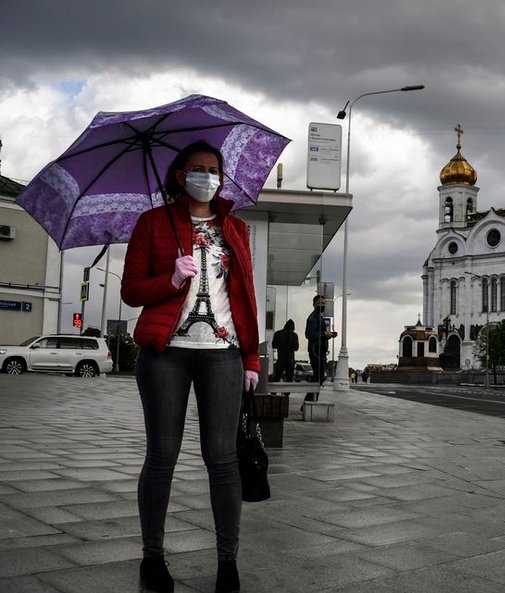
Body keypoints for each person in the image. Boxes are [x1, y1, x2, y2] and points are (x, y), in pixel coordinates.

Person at [122, 140, 258, 593]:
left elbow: (247, 298)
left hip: (224, 353)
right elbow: (131, 290)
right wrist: (172, 278)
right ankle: (152, 558)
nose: (207, 175)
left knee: (222, 459)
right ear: (180, 175)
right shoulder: (153, 223)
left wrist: (251, 357)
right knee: (162, 457)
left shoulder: (234, 227)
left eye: (213, 168)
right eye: (198, 168)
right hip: (166, 353)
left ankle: (227, 562)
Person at [304, 295, 336, 403]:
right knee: (319, 376)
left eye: (323, 303)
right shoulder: (313, 318)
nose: (322, 305)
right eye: (319, 303)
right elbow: (309, 334)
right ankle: (310, 401)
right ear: (314, 304)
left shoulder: (319, 317)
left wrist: (329, 335)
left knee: (320, 377)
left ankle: (311, 400)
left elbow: (319, 334)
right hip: (315, 351)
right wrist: (324, 334)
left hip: (320, 351)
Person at [270, 319, 298, 393]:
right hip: (290, 359)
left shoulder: (278, 334)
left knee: (277, 376)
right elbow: (296, 348)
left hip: (281, 358)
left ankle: (273, 392)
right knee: (289, 378)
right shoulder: (294, 335)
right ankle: (286, 393)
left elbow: (274, 345)